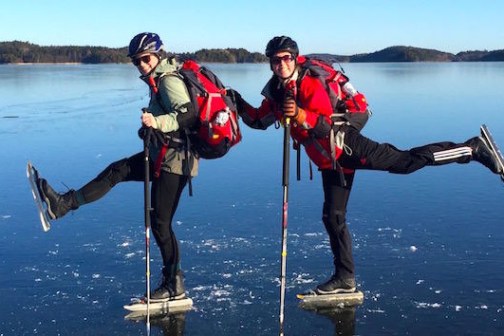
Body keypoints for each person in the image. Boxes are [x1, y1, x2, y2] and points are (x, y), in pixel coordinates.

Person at [231, 36, 503, 295]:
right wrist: (237, 103)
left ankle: (471, 149)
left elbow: (324, 124)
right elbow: (258, 120)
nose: (281, 64)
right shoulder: (278, 92)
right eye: (275, 60)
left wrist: (300, 114)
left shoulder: (310, 83)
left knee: (404, 163)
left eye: (286, 58)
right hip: (329, 160)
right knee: (333, 217)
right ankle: (345, 278)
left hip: (346, 145)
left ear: (295, 57)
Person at [35, 32, 198, 300]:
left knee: (160, 223)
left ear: (158, 54)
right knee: (117, 170)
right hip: (163, 153)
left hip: (176, 161)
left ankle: (174, 284)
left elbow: (187, 114)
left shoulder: (168, 80)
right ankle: (63, 204)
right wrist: (150, 129)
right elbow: (168, 119)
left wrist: (157, 124)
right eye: (137, 61)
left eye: (146, 59)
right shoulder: (158, 79)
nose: (142, 65)